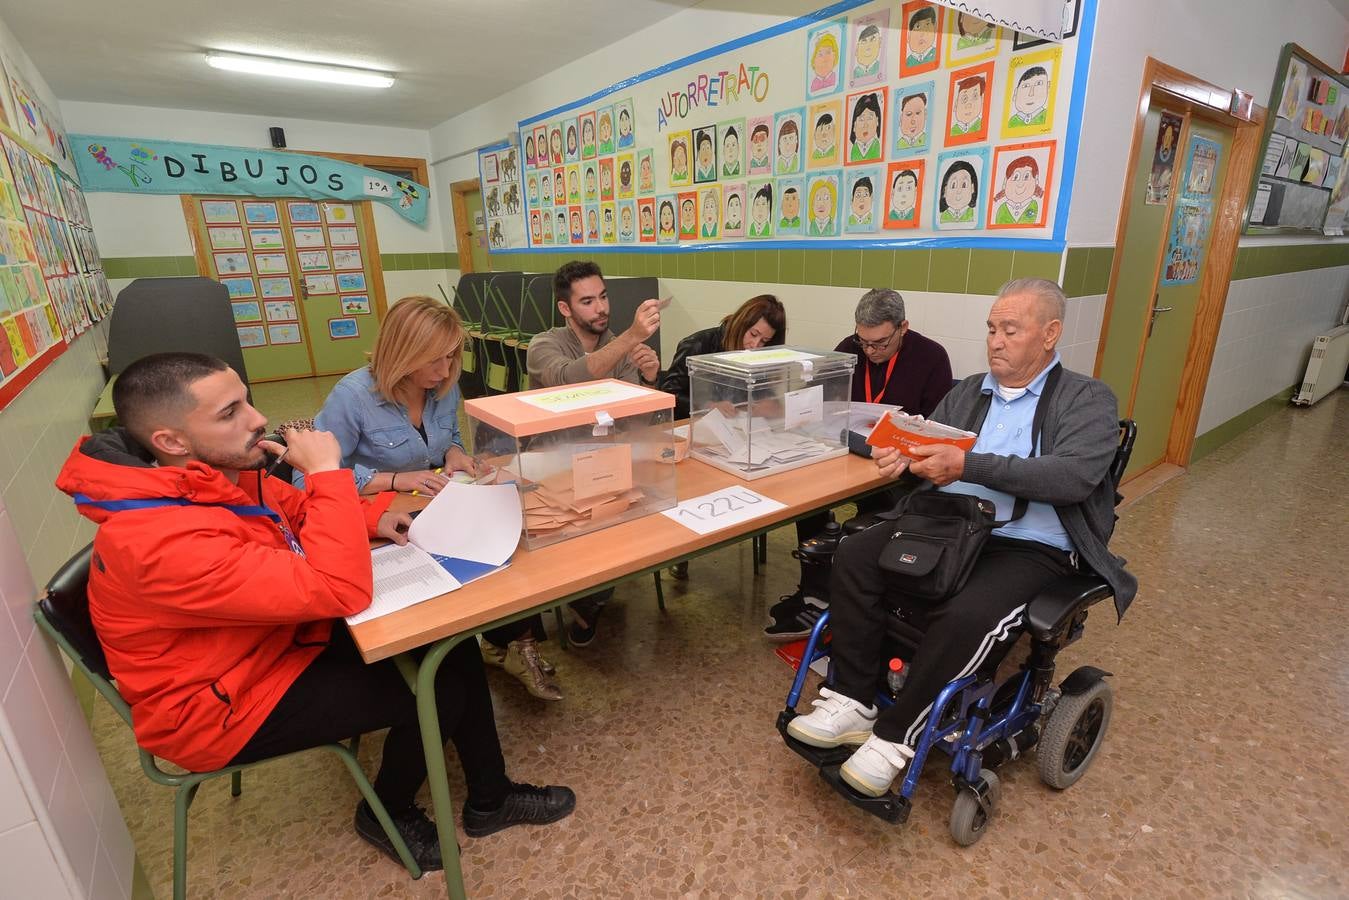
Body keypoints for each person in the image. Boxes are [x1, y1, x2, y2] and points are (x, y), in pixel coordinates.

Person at [56, 352, 576, 873]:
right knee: (440, 689)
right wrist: (327, 472)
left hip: (266, 641)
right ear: (170, 441)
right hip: (220, 707)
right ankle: (387, 812)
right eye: (229, 412)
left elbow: (299, 511)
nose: (257, 419)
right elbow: (340, 590)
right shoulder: (157, 542)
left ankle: (491, 798)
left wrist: (378, 515)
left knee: (450, 644)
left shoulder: (211, 474)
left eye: (247, 400)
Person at [785, 278, 1136, 800]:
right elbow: (930, 458)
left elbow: (1072, 477)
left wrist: (969, 463)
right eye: (992, 328)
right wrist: (904, 460)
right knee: (855, 553)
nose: (995, 340)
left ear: (1050, 334)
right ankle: (854, 699)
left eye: (1010, 330)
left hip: (1030, 544)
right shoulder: (969, 391)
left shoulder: (1087, 399)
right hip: (950, 526)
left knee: (968, 611)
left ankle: (894, 737)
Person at [765, 288, 953, 640]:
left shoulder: (931, 357)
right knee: (809, 499)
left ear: (903, 328)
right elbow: (820, 404)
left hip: (898, 469)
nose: (869, 351)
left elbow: (934, 431)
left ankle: (867, 601)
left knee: (881, 513)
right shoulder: (849, 349)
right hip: (847, 454)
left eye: (879, 343)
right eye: (863, 341)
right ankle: (815, 591)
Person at [526, 261, 663, 645]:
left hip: (605, 465)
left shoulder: (620, 347)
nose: (601, 308)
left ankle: (590, 598)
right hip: (551, 470)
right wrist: (633, 337)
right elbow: (570, 379)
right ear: (565, 309)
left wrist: (650, 380)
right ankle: (581, 598)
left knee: (638, 525)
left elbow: (634, 421)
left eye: (603, 297)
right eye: (587, 301)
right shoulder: (543, 346)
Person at [659, 293, 786, 419]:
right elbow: (669, 394)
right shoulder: (697, 344)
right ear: (740, 324)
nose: (755, 344)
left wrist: (772, 405)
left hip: (734, 425)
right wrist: (706, 406)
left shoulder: (756, 355)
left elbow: (764, 393)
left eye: (764, 341)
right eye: (753, 334)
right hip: (691, 424)